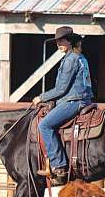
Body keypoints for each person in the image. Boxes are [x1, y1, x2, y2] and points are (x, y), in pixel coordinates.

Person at [33, 26, 94, 185]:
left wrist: (41, 97)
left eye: (62, 40)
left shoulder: (71, 59)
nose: (59, 43)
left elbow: (62, 89)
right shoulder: (79, 57)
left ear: (69, 41)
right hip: (81, 98)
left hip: (74, 100)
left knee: (45, 125)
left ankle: (59, 166)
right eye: (57, 40)